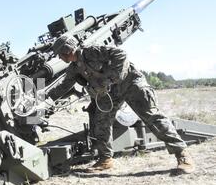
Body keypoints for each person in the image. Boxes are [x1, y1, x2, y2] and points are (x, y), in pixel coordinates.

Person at [48, 34, 195, 174]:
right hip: (110, 92)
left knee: (152, 117)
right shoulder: (74, 67)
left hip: (130, 82)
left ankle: (182, 154)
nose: (59, 57)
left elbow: (121, 55)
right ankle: (105, 159)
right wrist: (45, 98)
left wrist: (108, 79)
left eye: (60, 53)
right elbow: (63, 86)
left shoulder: (91, 51)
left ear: (66, 50)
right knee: (101, 122)